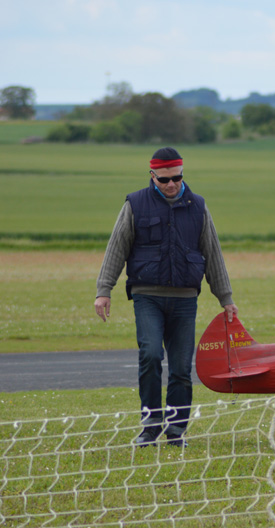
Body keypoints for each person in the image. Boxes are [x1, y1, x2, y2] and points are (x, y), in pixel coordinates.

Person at [94, 147, 238, 448]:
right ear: (152, 176)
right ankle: (150, 427)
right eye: (164, 180)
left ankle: (176, 432)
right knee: (150, 355)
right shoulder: (135, 203)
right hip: (148, 295)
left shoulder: (197, 205)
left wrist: (226, 298)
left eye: (177, 178)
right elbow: (116, 248)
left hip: (185, 299)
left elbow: (212, 253)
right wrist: (103, 291)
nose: (171, 185)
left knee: (182, 368)